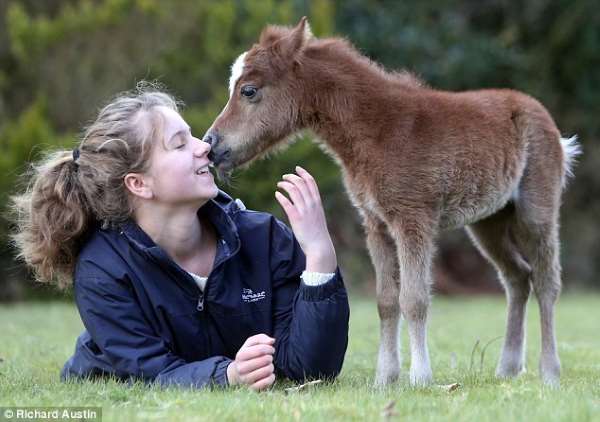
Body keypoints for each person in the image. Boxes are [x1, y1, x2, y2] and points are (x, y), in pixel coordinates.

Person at [11, 85, 349, 391]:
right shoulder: (103, 271)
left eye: (192, 136)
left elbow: (310, 370)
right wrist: (228, 375)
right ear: (139, 184)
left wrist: (319, 255)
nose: (204, 147)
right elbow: (151, 374)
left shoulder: (266, 239)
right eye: (179, 143)